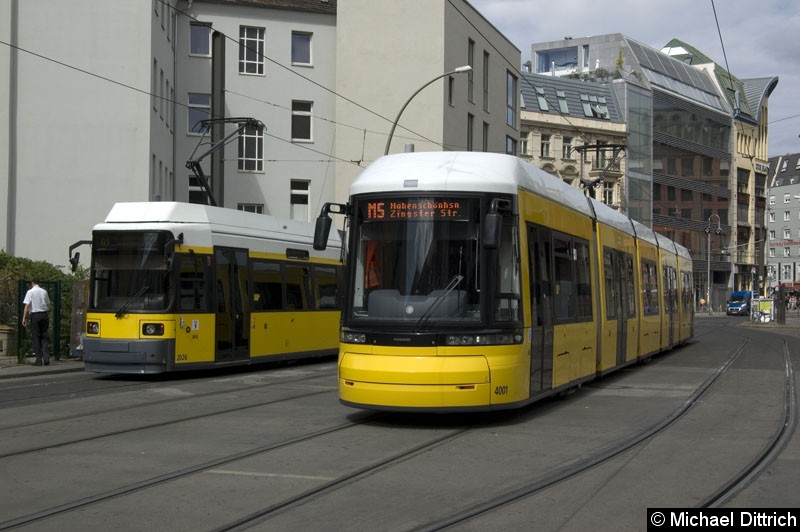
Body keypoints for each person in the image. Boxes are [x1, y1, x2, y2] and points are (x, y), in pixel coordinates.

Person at [22, 278, 50, 366]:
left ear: (32, 283)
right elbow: (47, 303)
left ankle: (38, 359)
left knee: (36, 337)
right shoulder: (44, 291)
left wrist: (24, 318)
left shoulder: (30, 292)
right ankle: (46, 358)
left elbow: (27, 305)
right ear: (39, 282)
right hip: (44, 315)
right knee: (44, 337)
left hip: (35, 315)